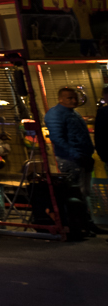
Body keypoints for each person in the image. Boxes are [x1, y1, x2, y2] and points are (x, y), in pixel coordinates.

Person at [44, 87, 98, 238]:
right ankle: (81, 224)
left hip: (80, 157)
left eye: (75, 98)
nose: (74, 101)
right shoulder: (57, 114)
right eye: (70, 98)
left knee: (83, 192)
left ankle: (85, 223)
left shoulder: (72, 113)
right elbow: (57, 138)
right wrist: (76, 154)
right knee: (77, 192)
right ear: (61, 99)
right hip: (71, 159)